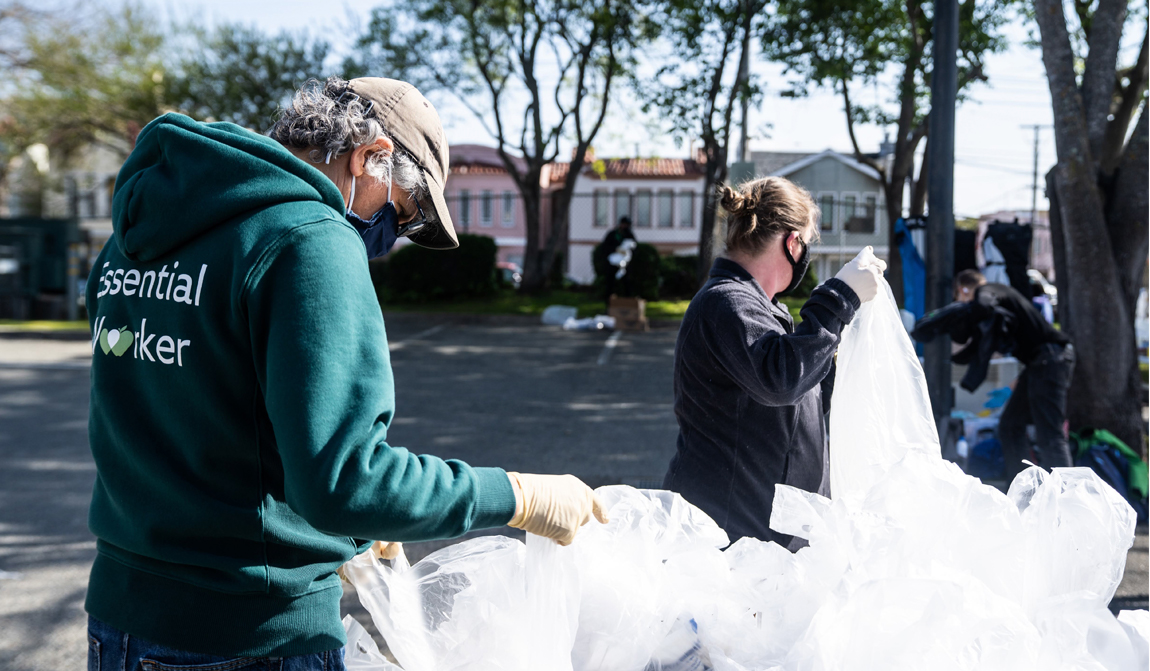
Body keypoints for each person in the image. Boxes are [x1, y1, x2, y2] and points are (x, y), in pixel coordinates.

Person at [84, 76, 605, 670]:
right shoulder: (310, 238)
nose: (387, 240)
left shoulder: (140, 234)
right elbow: (346, 480)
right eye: (398, 216)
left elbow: (202, 418)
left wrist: (346, 535)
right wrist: (518, 495)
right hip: (249, 636)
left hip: (120, 620)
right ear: (370, 157)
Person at [661, 177, 886, 550]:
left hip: (764, 535)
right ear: (792, 242)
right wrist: (838, 299)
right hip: (727, 537)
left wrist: (837, 349)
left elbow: (799, 401)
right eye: (807, 242)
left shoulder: (764, 309)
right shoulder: (727, 303)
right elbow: (778, 381)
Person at [913, 269, 1075, 481]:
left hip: (1051, 359)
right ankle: (1026, 490)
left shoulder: (990, 292)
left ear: (963, 291)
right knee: (1010, 426)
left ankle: (1069, 496)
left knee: (1050, 435)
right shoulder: (997, 310)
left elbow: (983, 301)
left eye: (960, 298)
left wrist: (964, 309)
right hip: (1042, 362)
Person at [597, 215, 637, 305]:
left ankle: (628, 302)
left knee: (627, 282)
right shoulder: (613, 234)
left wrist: (627, 253)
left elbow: (634, 248)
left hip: (624, 264)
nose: (625, 227)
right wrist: (615, 249)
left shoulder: (629, 235)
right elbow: (605, 247)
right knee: (610, 283)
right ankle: (608, 303)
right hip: (612, 263)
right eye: (624, 224)